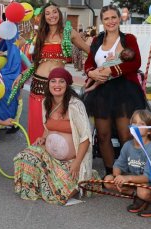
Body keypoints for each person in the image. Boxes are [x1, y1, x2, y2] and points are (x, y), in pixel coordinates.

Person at [13, 67, 97, 204]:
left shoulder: (75, 105)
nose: (56, 85)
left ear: (67, 85)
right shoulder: (46, 102)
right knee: (24, 156)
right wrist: (44, 138)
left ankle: (86, 177)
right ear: (49, 84)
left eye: (61, 82)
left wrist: (77, 163)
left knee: (60, 195)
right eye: (53, 81)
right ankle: (40, 184)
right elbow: (47, 127)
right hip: (49, 156)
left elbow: (85, 138)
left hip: (72, 161)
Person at [83, 5, 148, 175]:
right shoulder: (97, 40)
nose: (111, 21)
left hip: (124, 92)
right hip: (101, 93)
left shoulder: (129, 39)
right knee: (103, 135)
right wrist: (92, 72)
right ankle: (111, 172)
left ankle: (127, 173)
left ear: (120, 19)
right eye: (106, 18)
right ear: (102, 21)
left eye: (114, 17)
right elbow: (88, 62)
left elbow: (135, 62)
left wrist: (111, 71)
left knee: (125, 135)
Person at [11, 3, 90, 143]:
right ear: (44, 17)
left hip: (57, 87)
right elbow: (37, 63)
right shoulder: (41, 34)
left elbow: (89, 50)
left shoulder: (68, 32)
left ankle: (55, 161)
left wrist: (97, 68)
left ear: (59, 13)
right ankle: (37, 159)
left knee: (55, 126)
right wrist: (23, 75)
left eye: (54, 12)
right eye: (47, 13)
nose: (51, 16)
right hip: (38, 85)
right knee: (37, 125)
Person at [104, 109, 151, 218]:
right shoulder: (128, 145)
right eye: (134, 123)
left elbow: (148, 177)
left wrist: (127, 179)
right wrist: (117, 176)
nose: (137, 126)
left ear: (149, 131)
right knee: (108, 180)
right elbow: (118, 165)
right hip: (136, 180)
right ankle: (138, 196)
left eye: (142, 124)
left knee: (142, 191)